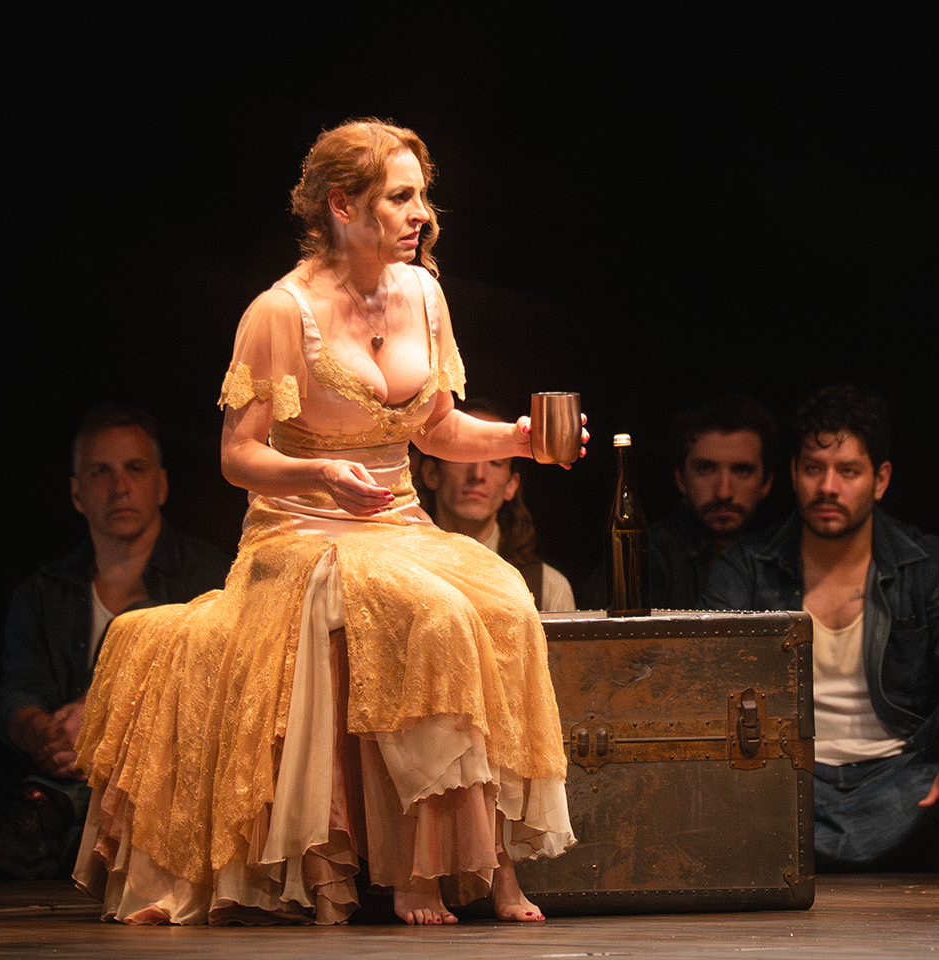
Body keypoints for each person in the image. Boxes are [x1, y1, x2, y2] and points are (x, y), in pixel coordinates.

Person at [71, 120, 581, 926]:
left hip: (400, 525)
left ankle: (494, 864)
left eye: (423, 196)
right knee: (434, 614)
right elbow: (238, 454)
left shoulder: (424, 294)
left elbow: (437, 429)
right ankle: (417, 870)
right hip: (298, 532)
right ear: (343, 206)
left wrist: (519, 440)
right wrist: (317, 474)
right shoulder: (280, 312)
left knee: (507, 601)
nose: (422, 215)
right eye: (401, 198)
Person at [707, 385, 939, 870]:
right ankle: (873, 843)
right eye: (813, 469)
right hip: (789, 770)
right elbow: (706, 683)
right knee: (713, 783)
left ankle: (797, 846)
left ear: (880, 479)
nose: (828, 487)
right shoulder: (746, 567)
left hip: (897, 768)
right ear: (793, 473)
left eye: (848, 471)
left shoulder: (930, 565)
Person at [0, 404, 230, 879]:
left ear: (161, 485)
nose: (119, 486)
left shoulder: (209, 577)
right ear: (77, 493)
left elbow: (216, 695)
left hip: (156, 775)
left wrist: (102, 718)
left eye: (135, 468)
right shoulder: (41, 592)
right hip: (55, 769)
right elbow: (18, 691)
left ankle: (61, 826)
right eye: (100, 472)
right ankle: (65, 831)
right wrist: (41, 732)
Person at [418, 399, 576, 612]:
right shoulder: (405, 570)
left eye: (495, 461)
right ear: (431, 472)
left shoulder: (548, 587)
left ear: (511, 485)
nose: (478, 475)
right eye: (464, 455)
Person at [649, 393, 777, 609]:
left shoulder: (786, 558)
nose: (723, 492)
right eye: (706, 469)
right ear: (680, 478)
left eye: (741, 470)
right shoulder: (643, 560)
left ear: (766, 482)